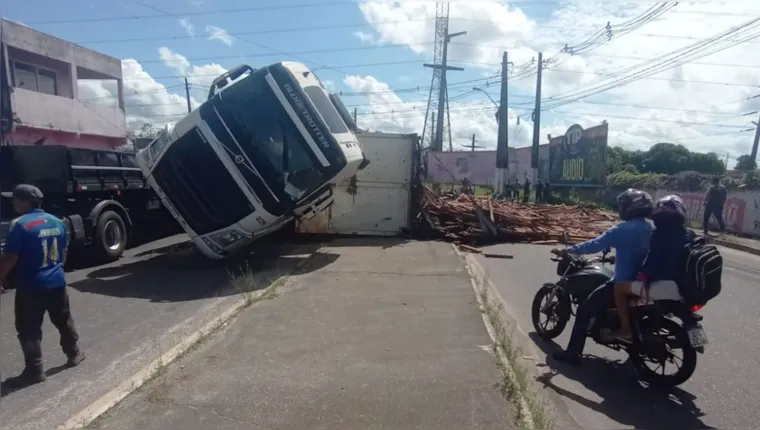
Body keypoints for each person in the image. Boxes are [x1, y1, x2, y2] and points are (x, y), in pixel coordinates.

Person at [551, 188, 654, 366]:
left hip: (623, 282)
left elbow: (595, 244)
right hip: (645, 281)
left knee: (584, 309)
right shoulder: (652, 228)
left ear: (629, 208)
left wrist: (567, 250)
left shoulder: (621, 230)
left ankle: (572, 354)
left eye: (623, 205)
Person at [0, 184, 85, 389]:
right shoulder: (58, 222)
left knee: (28, 329)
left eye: (15, 199)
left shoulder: (19, 224)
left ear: (25, 202)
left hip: (31, 287)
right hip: (56, 283)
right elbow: (63, 254)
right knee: (63, 320)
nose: (12, 203)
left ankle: (34, 371)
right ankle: (74, 354)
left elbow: (10, 257)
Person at [611, 195, 693, 341]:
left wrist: (640, 275)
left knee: (619, 287)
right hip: (683, 287)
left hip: (663, 285)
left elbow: (652, 261)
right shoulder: (688, 234)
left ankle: (625, 329)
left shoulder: (660, 233)